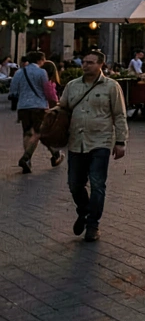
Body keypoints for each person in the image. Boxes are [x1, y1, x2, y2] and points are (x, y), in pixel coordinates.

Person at [60, 52, 128, 243]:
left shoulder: (111, 87)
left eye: (90, 62)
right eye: (84, 62)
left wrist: (121, 142)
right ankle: (84, 211)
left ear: (100, 65)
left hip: (101, 142)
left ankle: (93, 225)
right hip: (76, 142)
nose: (85, 65)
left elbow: (120, 115)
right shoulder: (72, 86)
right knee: (75, 184)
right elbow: (62, 109)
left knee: (98, 184)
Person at [13, 50, 62, 174]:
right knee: (39, 132)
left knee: (28, 132)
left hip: (23, 106)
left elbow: (13, 90)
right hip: (38, 106)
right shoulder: (42, 72)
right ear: (40, 60)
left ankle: (50, 155)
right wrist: (55, 102)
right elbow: (47, 90)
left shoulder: (19, 72)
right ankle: (26, 157)